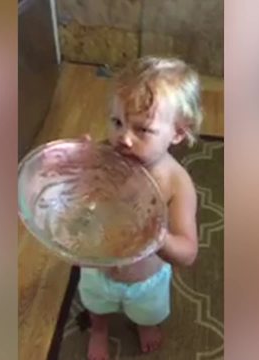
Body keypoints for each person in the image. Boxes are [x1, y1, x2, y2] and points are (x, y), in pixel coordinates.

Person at [78, 56, 202, 360]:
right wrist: (76, 167)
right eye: (117, 123)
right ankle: (99, 330)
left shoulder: (176, 184)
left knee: (148, 313)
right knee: (96, 307)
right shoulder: (107, 159)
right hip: (99, 266)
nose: (124, 139)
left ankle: (143, 324)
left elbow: (187, 252)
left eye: (142, 129)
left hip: (145, 280)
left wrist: (159, 238)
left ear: (177, 133)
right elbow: (81, 197)